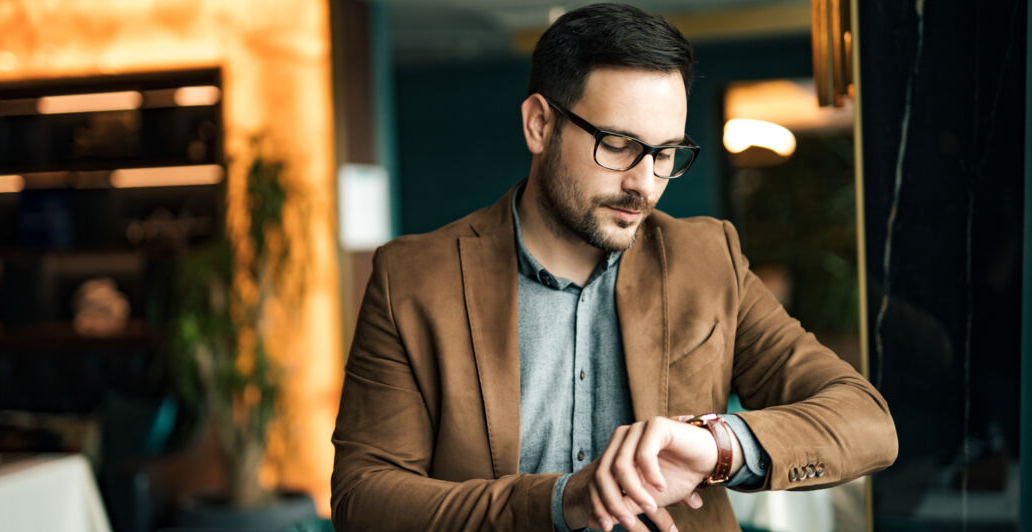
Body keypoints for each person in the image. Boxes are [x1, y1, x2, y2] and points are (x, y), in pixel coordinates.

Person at [330, 3, 898, 531]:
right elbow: (364, 496)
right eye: (620, 144)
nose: (644, 183)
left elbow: (867, 423)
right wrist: (560, 500)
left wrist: (717, 445)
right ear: (539, 125)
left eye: (666, 152)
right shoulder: (413, 279)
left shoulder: (709, 259)